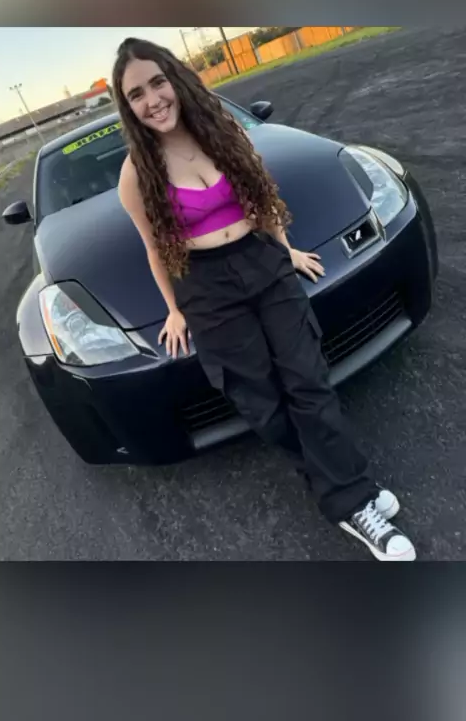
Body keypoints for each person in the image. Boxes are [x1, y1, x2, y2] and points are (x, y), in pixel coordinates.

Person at [112, 36, 416, 562]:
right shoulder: (136, 175)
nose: (152, 99)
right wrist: (175, 309)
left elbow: (261, 197)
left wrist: (286, 249)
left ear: (175, 80)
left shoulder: (223, 131)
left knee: (308, 381)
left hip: (261, 260)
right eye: (136, 93)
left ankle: (353, 503)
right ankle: (345, 481)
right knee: (264, 404)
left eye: (157, 82)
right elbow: (155, 250)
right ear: (127, 106)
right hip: (206, 288)